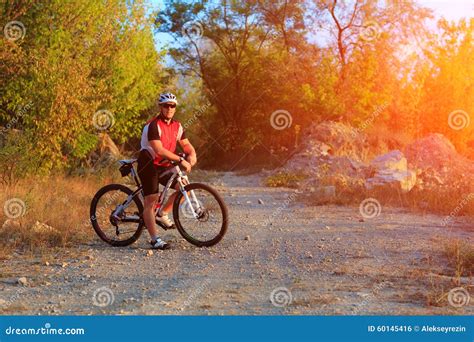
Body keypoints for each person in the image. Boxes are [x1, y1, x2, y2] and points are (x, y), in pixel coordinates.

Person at [137, 92, 197, 250]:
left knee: (185, 189)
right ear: (160, 107)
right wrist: (181, 160)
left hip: (164, 165)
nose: (169, 108)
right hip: (148, 164)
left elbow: (186, 145)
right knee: (151, 200)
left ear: (175, 108)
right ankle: (154, 240)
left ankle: (161, 214)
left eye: (172, 105)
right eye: (166, 105)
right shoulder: (153, 125)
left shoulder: (177, 126)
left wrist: (192, 154)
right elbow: (159, 150)